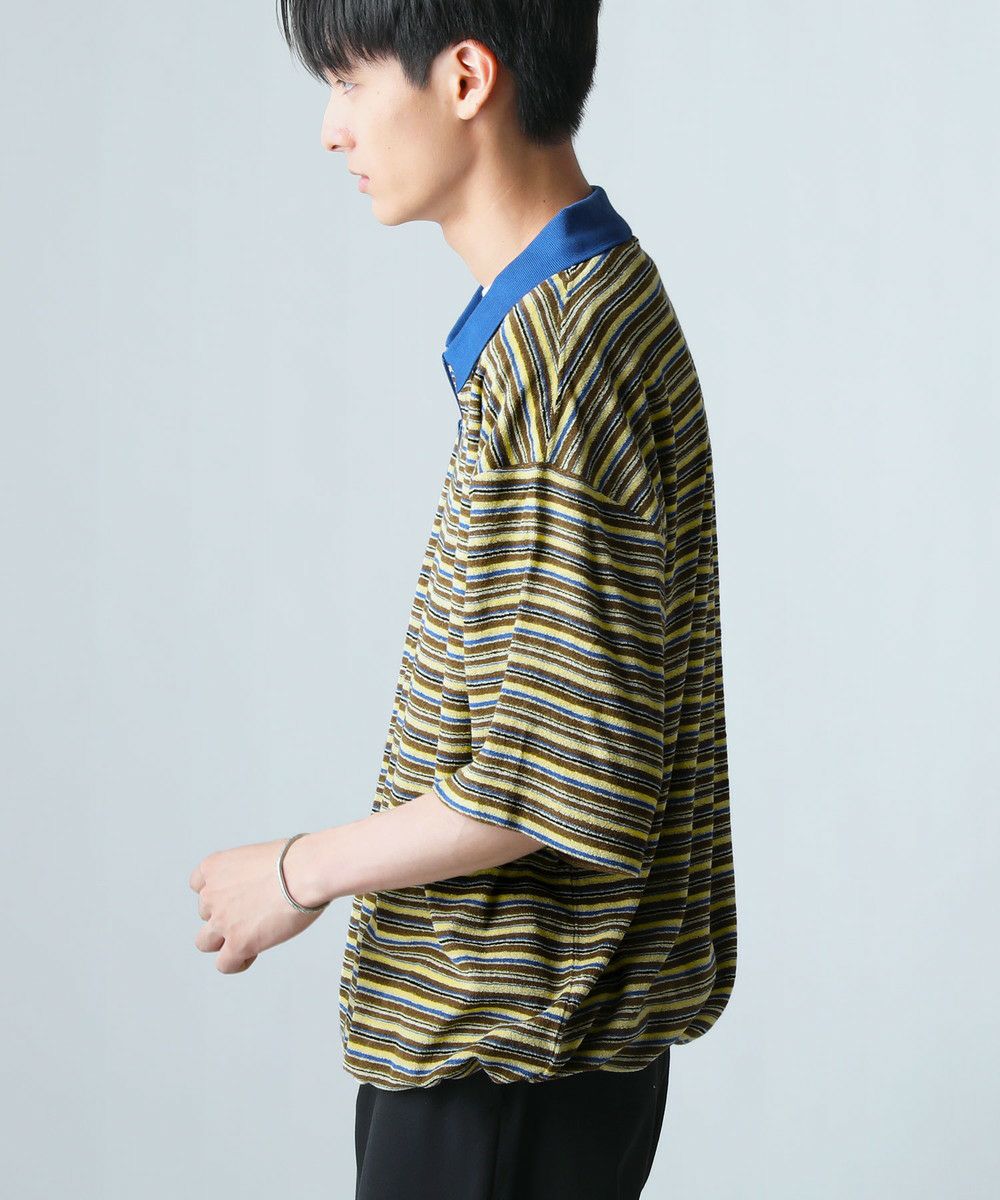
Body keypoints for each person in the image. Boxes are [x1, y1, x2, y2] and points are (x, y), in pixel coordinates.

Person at [189, 3, 738, 1196]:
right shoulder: (580, 311)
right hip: (529, 1056)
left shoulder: (561, 361)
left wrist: (293, 872)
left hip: (506, 1058)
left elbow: (552, 784)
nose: (332, 128)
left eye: (348, 81)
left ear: (467, 77)